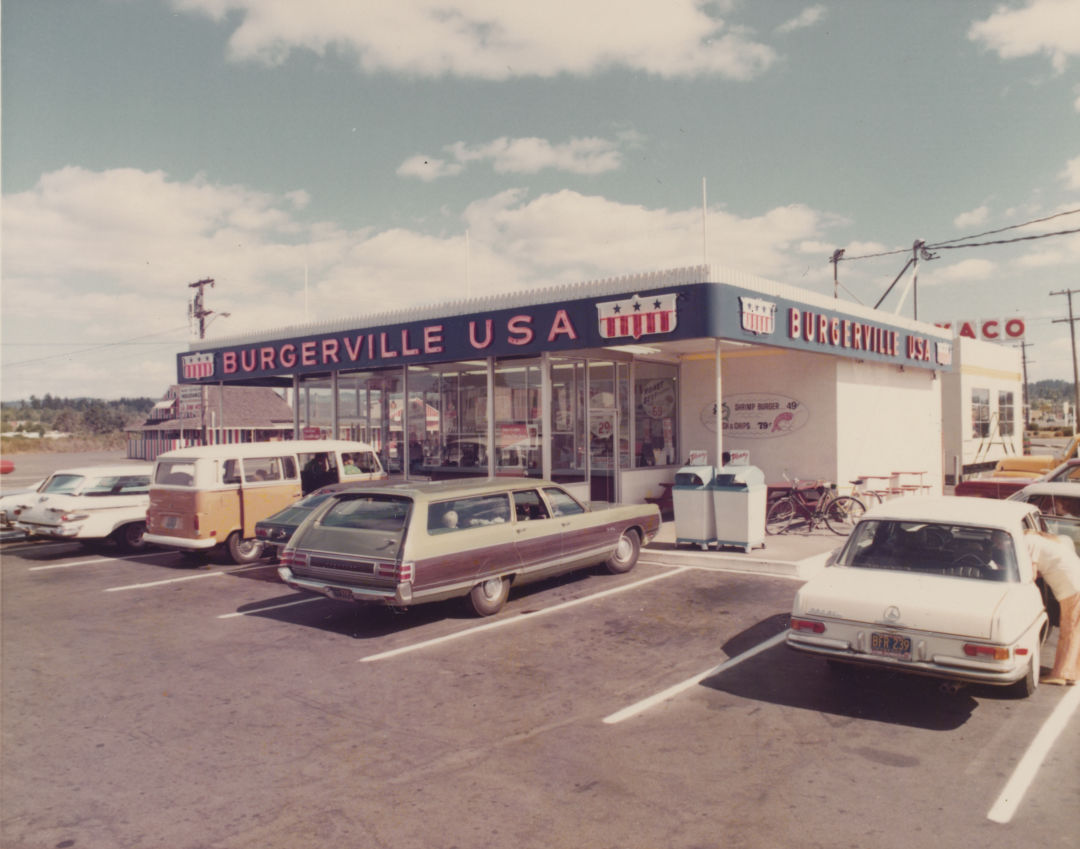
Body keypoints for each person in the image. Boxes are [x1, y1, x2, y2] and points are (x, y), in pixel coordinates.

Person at [1025, 529, 1080, 685]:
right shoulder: (1042, 540)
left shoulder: (1028, 541)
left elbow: (1032, 573)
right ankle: (1069, 672)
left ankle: (1060, 674)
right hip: (1074, 583)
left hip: (1072, 587)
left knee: (1069, 630)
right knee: (1073, 630)